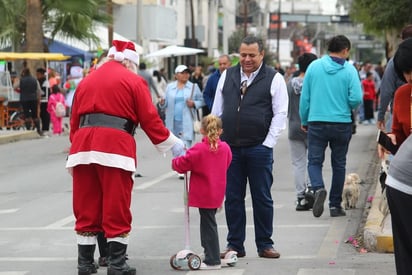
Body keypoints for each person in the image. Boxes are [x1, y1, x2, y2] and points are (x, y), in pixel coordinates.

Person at [65, 40, 185, 275]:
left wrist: (78, 145)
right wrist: (173, 143)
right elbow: (149, 118)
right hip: (115, 147)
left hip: (83, 146)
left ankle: (85, 264)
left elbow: (74, 121)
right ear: (131, 62)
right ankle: (117, 265)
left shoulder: (87, 80)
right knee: (115, 204)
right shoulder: (133, 80)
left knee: (87, 205)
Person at [212, 35, 288, 259]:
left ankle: (265, 244)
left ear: (261, 55)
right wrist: (214, 138)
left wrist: (267, 144)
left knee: (262, 197)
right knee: (233, 197)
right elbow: (217, 109)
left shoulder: (274, 78)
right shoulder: (227, 75)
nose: (246, 59)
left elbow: (280, 113)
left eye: (251, 55)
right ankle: (235, 244)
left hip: (258, 148)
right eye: (243, 55)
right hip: (230, 149)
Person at [299, 35, 363, 218]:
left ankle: (318, 188)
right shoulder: (350, 70)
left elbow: (305, 98)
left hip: (317, 122)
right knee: (339, 164)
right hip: (342, 123)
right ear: (345, 50)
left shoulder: (314, 67)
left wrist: (304, 119)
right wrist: (347, 106)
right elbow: (356, 98)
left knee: (314, 161)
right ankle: (335, 205)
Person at [172, 114, 232, 270]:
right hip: (217, 192)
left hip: (203, 193)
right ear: (220, 131)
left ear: (202, 130)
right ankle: (210, 252)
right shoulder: (225, 148)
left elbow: (181, 164)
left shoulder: (199, 149)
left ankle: (212, 260)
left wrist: (176, 158)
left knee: (208, 225)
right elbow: (227, 163)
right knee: (208, 223)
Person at [287, 52, 317, 211]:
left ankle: (300, 197)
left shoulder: (290, 84)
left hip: (294, 127)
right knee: (313, 161)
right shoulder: (315, 84)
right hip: (313, 127)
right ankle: (312, 190)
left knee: (298, 163)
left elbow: (285, 106)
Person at [158, 64, 204, 149]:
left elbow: (202, 101)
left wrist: (194, 103)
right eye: (182, 73)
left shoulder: (194, 87)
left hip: (187, 124)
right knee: (175, 150)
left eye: (187, 73)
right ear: (176, 75)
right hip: (172, 124)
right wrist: (162, 103)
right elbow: (164, 105)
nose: (185, 75)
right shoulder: (169, 87)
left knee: (184, 150)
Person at [377, 24, 412, 132]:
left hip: (400, 114)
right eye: (406, 72)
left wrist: (381, 115)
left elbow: (386, 91)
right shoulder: (402, 93)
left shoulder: (394, 62)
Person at [15, 68, 43, 135]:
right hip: (33, 99)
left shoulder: (21, 80)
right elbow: (38, 90)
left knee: (27, 115)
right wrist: (38, 98)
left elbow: (14, 86)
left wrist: (20, 90)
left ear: (23, 73)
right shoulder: (34, 80)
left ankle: (28, 129)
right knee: (35, 115)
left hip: (24, 99)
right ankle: (38, 130)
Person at [36, 68, 51, 135]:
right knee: (41, 114)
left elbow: (46, 92)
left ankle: (45, 128)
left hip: (45, 100)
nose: (37, 75)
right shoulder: (38, 81)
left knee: (45, 114)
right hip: (39, 100)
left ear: (42, 74)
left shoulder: (45, 82)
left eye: (38, 74)